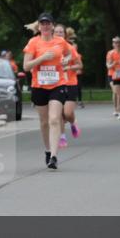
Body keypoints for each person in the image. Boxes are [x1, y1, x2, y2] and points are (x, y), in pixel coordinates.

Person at [23, 13, 70, 170]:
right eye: (42, 23)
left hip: (57, 84)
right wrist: (41, 58)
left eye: (48, 23)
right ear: (39, 26)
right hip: (39, 86)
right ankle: (48, 151)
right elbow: (26, 66)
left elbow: (69, 54)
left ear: (52, 25)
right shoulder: (33, 42)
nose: (45, 26)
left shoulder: (60, 42)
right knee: (44, 122)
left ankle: (55, 157)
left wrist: (65, 60)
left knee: (54, 119)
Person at [54, 24, 81, 149]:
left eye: (61, 32)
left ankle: (72, 123)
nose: (59, 34)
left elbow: (79, 65)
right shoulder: (51, 48)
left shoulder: (70, 48)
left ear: (65, 35)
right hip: (57, 83)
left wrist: (68, 67)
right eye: (57, 32)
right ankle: (62, 137)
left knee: (68, 113)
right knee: (59, 113)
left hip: (70, 82)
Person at [107, 37, 120, 119]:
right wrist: (113, 64)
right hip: (112, 75)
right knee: (116, 92)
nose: (117, 44)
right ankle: (117, 109)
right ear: (113, 44)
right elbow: (108, 66)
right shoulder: (110, 53)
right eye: (115, 42)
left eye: (118, 42)